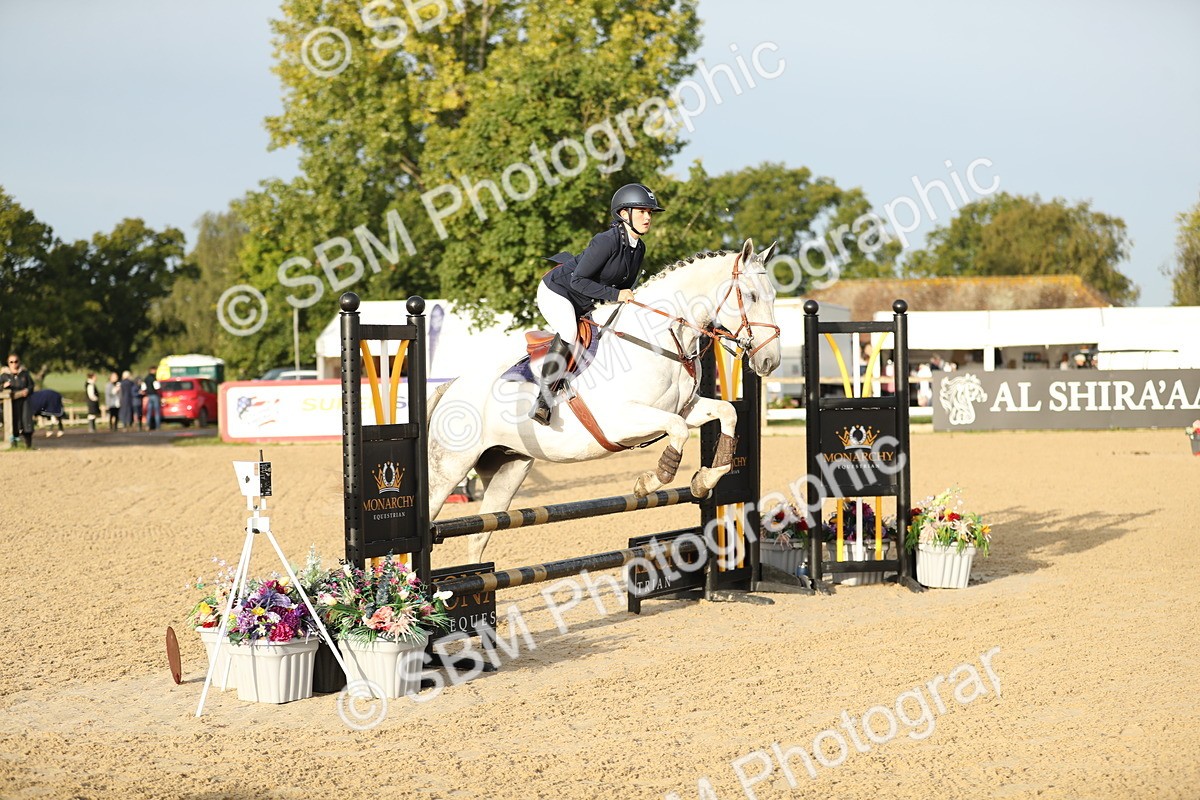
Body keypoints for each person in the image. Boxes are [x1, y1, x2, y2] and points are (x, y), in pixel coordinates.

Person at [530, 182, 664, 425]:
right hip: (558, 290)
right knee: (569, 331)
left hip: (586, 299)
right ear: (624, 214)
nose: (648, 217)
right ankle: (543, 399)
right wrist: (616, 295)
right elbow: (578, 280)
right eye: (642, 211)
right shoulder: (606, 241)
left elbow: (623, 289)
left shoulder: (638, 248)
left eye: (650, 212)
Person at [1, 353, 36, 448]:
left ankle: (28, 445)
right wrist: (3, 386)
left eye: (16, 361)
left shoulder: (25, 374)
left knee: (26, 422)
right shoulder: (4, 376)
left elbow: (31, 386)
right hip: (11, 404)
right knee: (13, 423)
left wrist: (28, 390)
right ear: (8, 363)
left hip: (24, 402)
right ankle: (14, 445)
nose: (14, 364)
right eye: (11, 362)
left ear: (19, 362)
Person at [143, 366, 162, 431]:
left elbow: (143, 388)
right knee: (157, 411)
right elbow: (157, 387)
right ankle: (158, 426)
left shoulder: (146, 378)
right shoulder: (153, 378)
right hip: (154, 395)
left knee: (149, 411)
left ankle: (148, 425)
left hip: (149, 396)